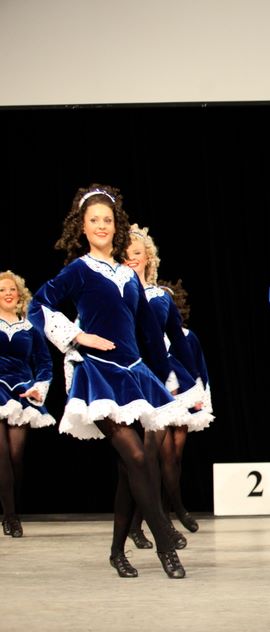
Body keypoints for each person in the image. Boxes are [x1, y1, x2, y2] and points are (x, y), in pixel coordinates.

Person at [28, 185, 188, 578]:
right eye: (94, 220)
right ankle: (166, 545)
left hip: (133, 374)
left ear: (116, 226)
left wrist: (163, 377)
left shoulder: (128, 276)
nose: (101, 225)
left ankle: (117, 552)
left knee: (129, 469)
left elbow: (149, 334)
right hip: (96, 374)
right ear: (82, 227)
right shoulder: (79, 270)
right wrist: (78, 336)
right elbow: (38, 305)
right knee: (137, 458)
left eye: (107, 220)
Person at [123, 228, 209, 549]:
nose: (130, 259)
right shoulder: (115, 292)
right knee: (136, 461)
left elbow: (178, 341)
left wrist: (192, 386)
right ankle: (141, 526)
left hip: (158, 381)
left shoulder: (160, 297)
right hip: (127, 380)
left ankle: (152, 524)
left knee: (150, 456)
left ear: (148, 257)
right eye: (125, 255)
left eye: (136, 253)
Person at [0, 270, 55, 537]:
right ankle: (11, 517)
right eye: (2, 290)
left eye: (11, 289)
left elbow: (44, 363)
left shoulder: (30, 327)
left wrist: (39, 388)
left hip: (21, 391)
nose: (8, 293)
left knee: (15, 457)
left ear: (19, 294)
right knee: (1, 456)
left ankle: (12, 510)